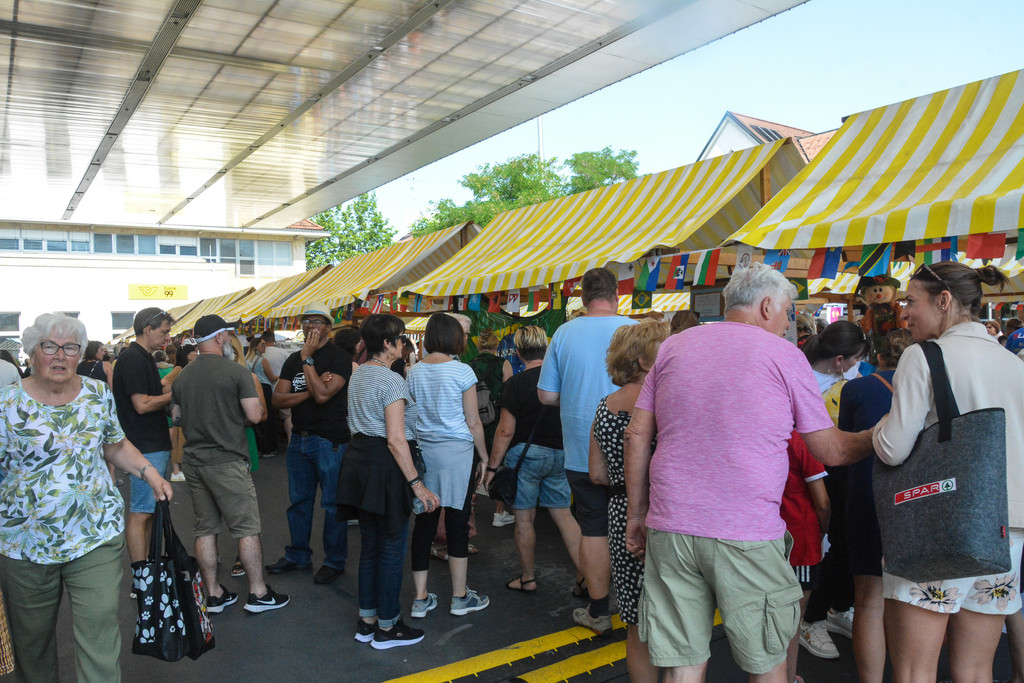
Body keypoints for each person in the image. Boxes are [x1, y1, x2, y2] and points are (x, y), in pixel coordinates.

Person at [623, 262, 875, 683]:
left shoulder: (673, 347)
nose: (788, 322)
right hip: (746, 532)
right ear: (766, 306)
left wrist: (637, 514)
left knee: (682, 662)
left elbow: (636, 435)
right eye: (787, 311)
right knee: (766, 661)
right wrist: (880, 435)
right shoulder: (783, 354)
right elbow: (830, 450)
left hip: (671, 525)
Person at [871, 262, 1024, 683]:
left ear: (943, 301)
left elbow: (892, 449)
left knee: (915, 670)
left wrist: (878, 428)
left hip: (939, 526)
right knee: (976, 670)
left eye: (911, 301)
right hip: (1007, 535)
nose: (905, 312)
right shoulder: (1013, 363)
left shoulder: (924, 356)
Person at [0, 313, 172, 681]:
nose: (60, 356)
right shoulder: (6, 402)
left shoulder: (97, 394)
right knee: (32, 645)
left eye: (70, 348)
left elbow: (115, 445)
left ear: (80, 354)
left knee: (100, 632)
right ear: (32, 352)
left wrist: (149, 472)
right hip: (24, 541)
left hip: (94, 533)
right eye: (50, 347)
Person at [537, 266, 637, 633]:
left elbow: (546, 395)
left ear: (583, 297)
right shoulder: (634, 330)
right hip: (634, 447)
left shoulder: (564, 333)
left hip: (581, 447)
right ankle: (640, 603)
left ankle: (598, 610)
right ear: (616, 295)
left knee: (593, 526)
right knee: (637, 519)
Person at [172, 315, 287, 614]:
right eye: (227, 334)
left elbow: (176, 417)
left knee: (205, 529)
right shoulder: (235, 372)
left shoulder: (182, 376)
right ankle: (259, 593)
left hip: (194, 461)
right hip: (227, 460)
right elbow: (255, 415)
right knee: (247, 528)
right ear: (220, 337)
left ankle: (213, 594)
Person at [338, 313, 439, 649]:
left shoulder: (358, 374)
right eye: (401, 338)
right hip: (385, 464)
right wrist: (417, 484)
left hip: (359, 461)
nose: (405, 343)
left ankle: (368, 621)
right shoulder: (391, 380)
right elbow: (396, 440)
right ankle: (388, 626)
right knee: (392, 547)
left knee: (371, 546)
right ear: (388, 343)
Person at [589, 320, 668, 681]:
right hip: (663, 510)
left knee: (636, 622)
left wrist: (623, 482)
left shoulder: (605, 407)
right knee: (675, 615)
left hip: (621, 511)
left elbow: (596, 473)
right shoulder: (664, 403)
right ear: (643, 360)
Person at [838, 328, 913, 683]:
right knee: (908, 599)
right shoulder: (928, 387)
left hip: (866, 495)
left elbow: (844, 445)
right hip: (914, 499)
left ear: (879, 357)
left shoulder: (856, 389)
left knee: (868, 599)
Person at [483, 326, 581, 594]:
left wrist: (492, 467)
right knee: (564, 516)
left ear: (518, 353)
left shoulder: (515, 384)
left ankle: (527, 578)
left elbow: (505, 431)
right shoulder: (563, 381)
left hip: (526, 457)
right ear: (546, 350)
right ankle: (587, 579)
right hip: (560, 453)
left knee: (524, 520)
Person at [406, 313, 490, 618]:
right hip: (457, 454)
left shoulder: (414, 372)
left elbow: (410, 417)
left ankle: (420, 598)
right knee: (457, 522)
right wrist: (485, 457)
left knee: (424, 523)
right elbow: (473, 422)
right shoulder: (462, 371)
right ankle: (459, 597)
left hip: (425, 454)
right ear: (454, 337)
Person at [798, 320, 871, 660]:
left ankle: (838, 606)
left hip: (843, 473)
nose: (860, 364)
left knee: (846, 543)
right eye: (856, 358)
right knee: (826, 549)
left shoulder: (847, 380)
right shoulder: (805, 383)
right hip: (812, 476)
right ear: (840, 360)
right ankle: (811, 618)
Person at [269, 304, 353, 585]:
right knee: (299, 503)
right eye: (306, 322)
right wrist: (308, 390)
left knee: (332, 505)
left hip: (329, 441)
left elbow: (324, 396)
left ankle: (334, 561)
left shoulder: (338, 358)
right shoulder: (293, 358)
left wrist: (308, 360)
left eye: (316, 322)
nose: (309, 327)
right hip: (299, 439)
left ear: (329, 328)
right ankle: (298, 555)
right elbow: (278, 399)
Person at [111, 307, 175, 570]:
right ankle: (142, 575)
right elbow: (142, 404)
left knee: (148, 512)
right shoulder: (134, 359)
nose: (168, 337)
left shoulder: (141, 357)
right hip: (144, 446)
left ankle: (147, 569)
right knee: (141, 513)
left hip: (149, 444)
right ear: (148, 329)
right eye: (164, 331)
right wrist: (174, 394)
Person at [781, 433, 830, 683]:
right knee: (792, 619)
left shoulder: (764, 434)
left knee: (774, 614)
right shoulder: (802, 442)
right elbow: (822, 503)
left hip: (768, 536)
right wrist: (822, 531)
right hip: (800, 541)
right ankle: (787, 678)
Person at [468, 330, 512, 527]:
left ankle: (470, 507)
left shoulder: (468, 365)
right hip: (497, 420)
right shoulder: (503, 364)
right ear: (496, 345)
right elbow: (508, 396)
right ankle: (499, 513)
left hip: (473, 420)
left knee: (474, 463)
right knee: (498, 462)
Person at [164, 341, 197, 483]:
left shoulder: (187, 368)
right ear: (187, 355)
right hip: (180, 408)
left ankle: (179, 470)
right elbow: (164, 382)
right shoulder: (179, 369)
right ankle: (176, 471)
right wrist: (175, 391)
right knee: (179, 438)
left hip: (185, 407)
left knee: (182, 438)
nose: (196, 353)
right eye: (193, 351)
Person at [246, 335, 278, 457]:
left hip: (252, 388)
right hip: (264, 388)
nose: (265, 347)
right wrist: (280, 376)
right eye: (263, 344)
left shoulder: (246, 360)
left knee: (257, 418)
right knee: (268, 417)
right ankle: (269, 447)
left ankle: (259, 447)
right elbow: (271, 377)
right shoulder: (262, 360)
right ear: (256, 347)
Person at [260, 330, 292, 443]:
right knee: (287, 416)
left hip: (264, 391)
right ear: (274, 340)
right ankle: (290, 440)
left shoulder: (260, 354)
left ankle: (268, 442)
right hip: (283, 389)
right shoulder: (283, 352)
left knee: (268, 417)